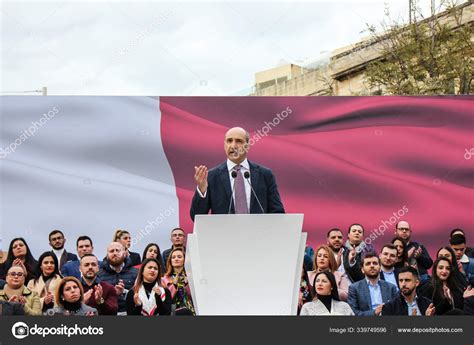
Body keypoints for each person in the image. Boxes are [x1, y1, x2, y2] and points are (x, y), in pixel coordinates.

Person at [190, 126, 285, 220]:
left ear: (247, 146)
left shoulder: (265, 175)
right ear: (224, 145)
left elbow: (277, 212)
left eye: (239, 141)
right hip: (224, 234)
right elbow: (196, 217)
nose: (233, 146)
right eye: (229, 141)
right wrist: (202, 191)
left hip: (258, 233)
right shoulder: (211, 176)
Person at [98, 242, 138, 315]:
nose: (115, 253)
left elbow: (140, 296)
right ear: (107, 255)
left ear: (124, 253)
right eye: (111, 251)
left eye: (117, 250)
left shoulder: (136, 273)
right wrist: (112, 293)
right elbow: (98, 299)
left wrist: (124, 292)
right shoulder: (99, 275)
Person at [162, 248, 195, 315]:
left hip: (193, 311)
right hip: (174, 313)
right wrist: (174, 285)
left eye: (179, 257)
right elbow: (164, 301)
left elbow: (197, 298)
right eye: (173, 257)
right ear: (170, 261)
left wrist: (187, 285)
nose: (176, 259)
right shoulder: (164, 279)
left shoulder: (192, 277)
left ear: (184, 260)